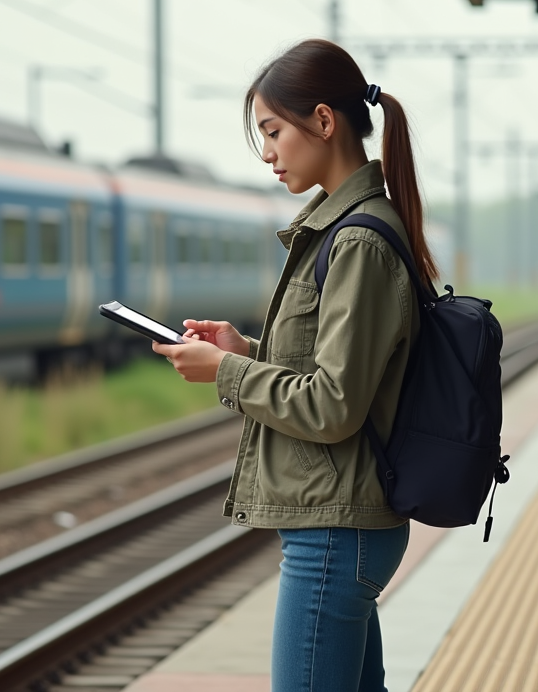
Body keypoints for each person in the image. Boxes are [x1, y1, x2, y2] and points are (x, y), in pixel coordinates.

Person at [152, 38, 439, 692]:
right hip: (335, 522)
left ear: (325, 121)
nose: (268, 153)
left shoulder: (359, 240)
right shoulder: (343, 230)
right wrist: (243, 352)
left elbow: (333, 405)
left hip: (334, 530)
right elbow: (337, 373)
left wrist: (223, 376)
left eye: (274, 131)